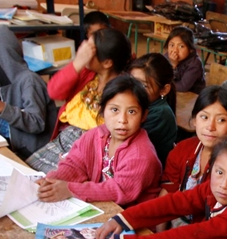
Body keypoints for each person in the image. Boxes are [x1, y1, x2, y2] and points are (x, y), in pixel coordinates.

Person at [38, 75, 161, 207]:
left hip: (131, 218)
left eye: (131, 112)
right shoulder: (95, 136)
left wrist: (70, 189)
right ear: (102, 111)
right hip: (102, 208)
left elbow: (118, 190)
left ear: (143, 116)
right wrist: (52, 181)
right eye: (114, 110)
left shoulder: (142, 156)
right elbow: (75, 164)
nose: (122, 120)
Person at [27, 28, 132, 172]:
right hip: (62, 140)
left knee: (47, 184)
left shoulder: (122, 91)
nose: (83, 50)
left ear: (107, 63)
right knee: (27, 171)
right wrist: (77, 63)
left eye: (90, 50)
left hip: (88, 150)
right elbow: (54, 91)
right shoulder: (88, 74)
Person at [0, 26, 57, 159]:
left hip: (31, 155)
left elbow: (37, 123)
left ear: (0, 57)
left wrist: (0, 107)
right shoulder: (6, 82)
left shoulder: (29, 81)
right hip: (12, 149)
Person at [161, 86, 227, 198]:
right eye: (204, 117)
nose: (210, 127)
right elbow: (168, 188)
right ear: (194, 120)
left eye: (221, 120)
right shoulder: (181, 149)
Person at [127, 53, 177, 166]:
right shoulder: (139, 104)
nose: (134, 89)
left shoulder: (160, 114)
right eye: (132, 81)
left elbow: (127, 141)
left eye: (144, 86)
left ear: (164, 90)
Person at [165, 26, 205, 94]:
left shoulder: (195, 64)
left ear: (191, 49)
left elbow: (183, 86)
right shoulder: (167, 56)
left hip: (192, 97)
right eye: (172, 45)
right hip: (176, 92)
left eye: (181, 46)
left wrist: (173, 65)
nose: (175, 50)